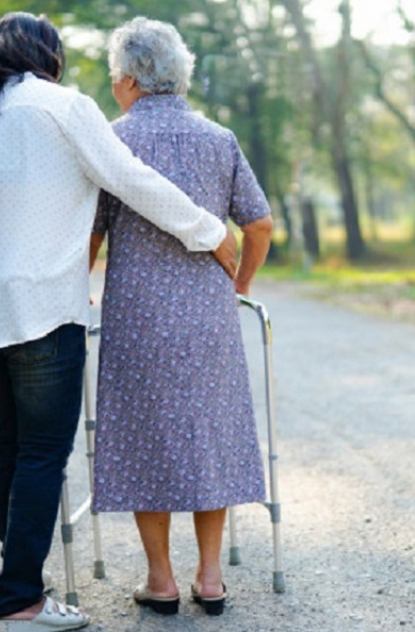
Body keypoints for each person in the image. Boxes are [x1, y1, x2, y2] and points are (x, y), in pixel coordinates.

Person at [0, 12, 239, 632]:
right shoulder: (61, 105)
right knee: (44, 453)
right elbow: (131, 180)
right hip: (42, 305)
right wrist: (210, 231)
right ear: (45, 56)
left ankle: (20, 576)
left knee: (8, 447)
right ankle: (21, 598)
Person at [89, 17, 274, 617]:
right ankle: (212, 577)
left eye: (116, 74)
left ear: (131, 80)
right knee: (209, 437)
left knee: (149, 439)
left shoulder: (111, 141)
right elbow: (260, 224)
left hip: (137, 316)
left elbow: (89, 233)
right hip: (208, 316)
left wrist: (77, 289)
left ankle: (161, 580)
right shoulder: (219, 139)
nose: (114, 83)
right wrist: (239, 285)